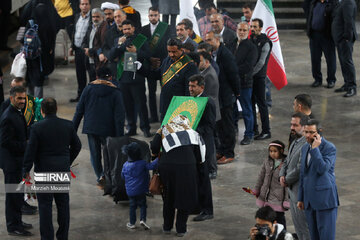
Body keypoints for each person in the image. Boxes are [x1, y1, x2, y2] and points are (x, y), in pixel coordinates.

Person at [22, 97, 82, 240]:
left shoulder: (36, 128)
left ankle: (47, 237)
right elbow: (77, 146)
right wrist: (67, 161)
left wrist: (26, 170)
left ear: (42, 111)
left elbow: (30, 151)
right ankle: (62, 236)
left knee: (45, 207)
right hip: (61, 171)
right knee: (63, 206)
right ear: (56, 109)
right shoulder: (68, 125)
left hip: (43, 172)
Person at [150, 115, 204, 237]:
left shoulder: (164, 128)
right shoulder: (193, 132)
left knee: (168, 196)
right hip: (187, 167)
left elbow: (154, 147)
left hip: (167, 166)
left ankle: (167, 227)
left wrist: (157, 154)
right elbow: (201, 155)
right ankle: (181, 229)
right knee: (183, 196)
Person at [72, 67, 125, 188]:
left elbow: (79, 111)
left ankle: (101, 176)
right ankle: (110, 177)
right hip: (109, 128)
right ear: (110, 77)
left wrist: (72, 130)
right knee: (110, 154)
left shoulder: (88, 89)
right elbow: (119, 116)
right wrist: (120, 136)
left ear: (96, 77)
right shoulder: (116, 92)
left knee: (95, 154)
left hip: (91, 127)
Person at [109, 19, 152, 137]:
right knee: (127, 105)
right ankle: (131, 127)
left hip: (137, 77)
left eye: (128, 28)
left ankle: (145, 128)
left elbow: (148, 55)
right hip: (123, 77)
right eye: (124, 29)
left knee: (141, 104)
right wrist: (119, 46)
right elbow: (111, 56)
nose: (126, 31)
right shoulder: (119, 40)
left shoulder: (141, 39)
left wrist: (136, 51)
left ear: (133, 28)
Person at [297, 119, 339, 240]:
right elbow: (303, 174)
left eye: (311, 132)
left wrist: (315, 149)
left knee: (326, 236)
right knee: (314, 236)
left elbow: (322, 168)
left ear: (319, 132)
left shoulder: (329, 148)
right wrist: (301, 197)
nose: (307, 135)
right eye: (305, 132)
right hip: (309, 201)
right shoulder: (305, 148)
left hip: (325, 201)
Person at [0, 86, 33, 236]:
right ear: (12, 98)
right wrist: (25, 145)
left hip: (17, 160)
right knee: (13, 196)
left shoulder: (17, 113)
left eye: (23, 98)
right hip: (11, 163)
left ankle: (18, 221)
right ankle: (13, 226)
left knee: (18, 194)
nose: (22, 101)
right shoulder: (8, 117)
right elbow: (5, 142)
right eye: (19, 98)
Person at [205, 31, 240, 165]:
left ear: (217, 39)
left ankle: (229, 153)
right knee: (219, 125)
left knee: (227, 126)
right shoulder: (212, 54)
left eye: (209, 40)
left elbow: (233, 75)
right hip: (217, 96)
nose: (207, 43)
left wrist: (236, 93)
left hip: (226, 96)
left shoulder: (225, 55)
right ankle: (222, 149)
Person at [279, 113, 311, 240]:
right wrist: (282, 174)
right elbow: (287, 161)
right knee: (298, 228)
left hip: (301, 194)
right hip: (292, 193)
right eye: (291, 124)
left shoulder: (307, 144)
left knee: (305, 228)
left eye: (295, 125)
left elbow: (300, 167)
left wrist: (286, 179)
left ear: (304, 126)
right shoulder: (295, 141)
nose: (291, 127)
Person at [21, 0, 61, 99]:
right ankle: (38, 103)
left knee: (30, 77)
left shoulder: (30, 18)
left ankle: (30, 102)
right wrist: (50, 47)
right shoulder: (48, 8)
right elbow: (58, 24)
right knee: (39, 78)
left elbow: (22, 25)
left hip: (30, 54)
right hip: (43, 54)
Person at [188, 75, 215, 221]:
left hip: (204, 146)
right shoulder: (190, 100)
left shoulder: (208, 102)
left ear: (201, 87)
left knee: (204, 179)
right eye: (189, 86)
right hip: (193, 145)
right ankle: (197, 206)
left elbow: (210, 127)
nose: (190, 89)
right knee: (196, 177)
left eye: (193, 86)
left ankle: (207, 210)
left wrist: (192, 129)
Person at [141, 6, 170, 123]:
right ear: (148, 16)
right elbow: (141, 48)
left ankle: (165, 114)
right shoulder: (143, 29)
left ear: (159, 16)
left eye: (155, 15)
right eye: (151, 15)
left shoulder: (166, 28)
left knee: (165, 91)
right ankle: (153, 116)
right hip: (150, 65)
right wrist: (150, 59)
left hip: (163, 64)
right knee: (151, 92)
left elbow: (169, 46)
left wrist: (162, 61)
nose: (153, 17)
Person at [157, 38, 198, 120]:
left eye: (174, 52)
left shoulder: (189, 65)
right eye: (169, 52)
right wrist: (140, 69)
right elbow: (157, 75)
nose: (171, 55)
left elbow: (189, 90)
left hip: (179, 107)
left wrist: (186, 111)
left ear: (181, 50)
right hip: (165, 105)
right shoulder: (166, 60)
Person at [121, 142, 158, 230]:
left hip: (130, 191)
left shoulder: (125, 165)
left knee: (132, 206)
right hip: (141, 189)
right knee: (143, 205)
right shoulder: (142, 163)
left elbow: (122, 176)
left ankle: (132, 223)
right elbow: (152, 166)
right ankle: (142, 219)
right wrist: (159, 158)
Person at [253, 140, 289, 228]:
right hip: (265, 197)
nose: (272, 153)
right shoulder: (267, 161)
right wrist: (257, 190)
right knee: (264, 218)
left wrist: (287, 201)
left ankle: (280, 234)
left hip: (278, 198)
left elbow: (287, 186)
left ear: (281, 151)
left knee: (279, 220)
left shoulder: (286, 163)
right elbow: (261, 177)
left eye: (275, 151)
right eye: (270, 151)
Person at [233, 22, 258, 145]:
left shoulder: (251, 47)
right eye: (240, 29)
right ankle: (233, 131)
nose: (241, 32)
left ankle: (249, 134)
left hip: (244, 83)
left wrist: (232, 69)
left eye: (244, 30)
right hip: (232, 83)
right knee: (232, 109)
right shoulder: (232, 43)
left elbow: (249, 66)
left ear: (248, 32)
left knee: (247, 110)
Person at [250, 18, 272, 140]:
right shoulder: (251, 40)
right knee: (251, 103)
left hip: (258, 77)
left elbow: (261, 63)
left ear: (260, 28)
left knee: (261, 103)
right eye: (251, 27)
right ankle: (254, 128)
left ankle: (266, 130)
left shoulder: (265, 42)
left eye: (255, 27)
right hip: (250, 77)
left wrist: (250, 74)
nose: (252, 29)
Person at [307, 0, 336, 88]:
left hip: (327, 36)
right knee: (315, 59)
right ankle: (317, 79)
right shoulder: (314, 3)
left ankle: (331, 80)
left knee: (330, 59)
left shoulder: (333, 4)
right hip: (314, 35)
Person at [332, 0, 357, 97]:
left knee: (347, 62)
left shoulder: (348, 2)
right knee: (343, 62)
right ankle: (347, 84)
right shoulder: (342, 2)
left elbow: (349, 20)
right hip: (340, 38)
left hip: (345, 39)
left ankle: (352, 87)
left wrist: (347, 37)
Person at [69, 0, 92, 102]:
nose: (84, 6)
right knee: (80, 74)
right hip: (78, 50)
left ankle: (91, 96)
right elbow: (75, 32)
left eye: (86, 4)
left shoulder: (93, 17)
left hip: (87, 50)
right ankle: (81, 96)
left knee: (91, 73)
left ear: (90, 5)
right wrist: (72, 46)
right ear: (79, 6)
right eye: (82, 4)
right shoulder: (77, 16)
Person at [99, 9, 126, 79]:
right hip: (113, 67)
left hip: (127, 66)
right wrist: (110, 56)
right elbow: (105, 48)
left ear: (125, 17)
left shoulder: (131, 31)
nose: (117, 19)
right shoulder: (109, 32)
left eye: (119, 16)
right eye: (115, 17)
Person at [82, 8, 105, 82]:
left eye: (97, 17)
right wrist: (85, 49)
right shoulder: (90, 27)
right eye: (93, 17)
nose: (95, 19)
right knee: (91, 82)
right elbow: (84, 41)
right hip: (89, 60)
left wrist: (91, 51)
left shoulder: (105, 29)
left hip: (99, 61)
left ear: (102, 17)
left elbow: (102, 45)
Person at [198, 51, 220, 124]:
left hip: (210, 113)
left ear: (207, 62)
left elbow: (205, 95)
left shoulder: (209, 75)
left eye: (200, 61)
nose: (198, 63)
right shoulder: (205, 72)